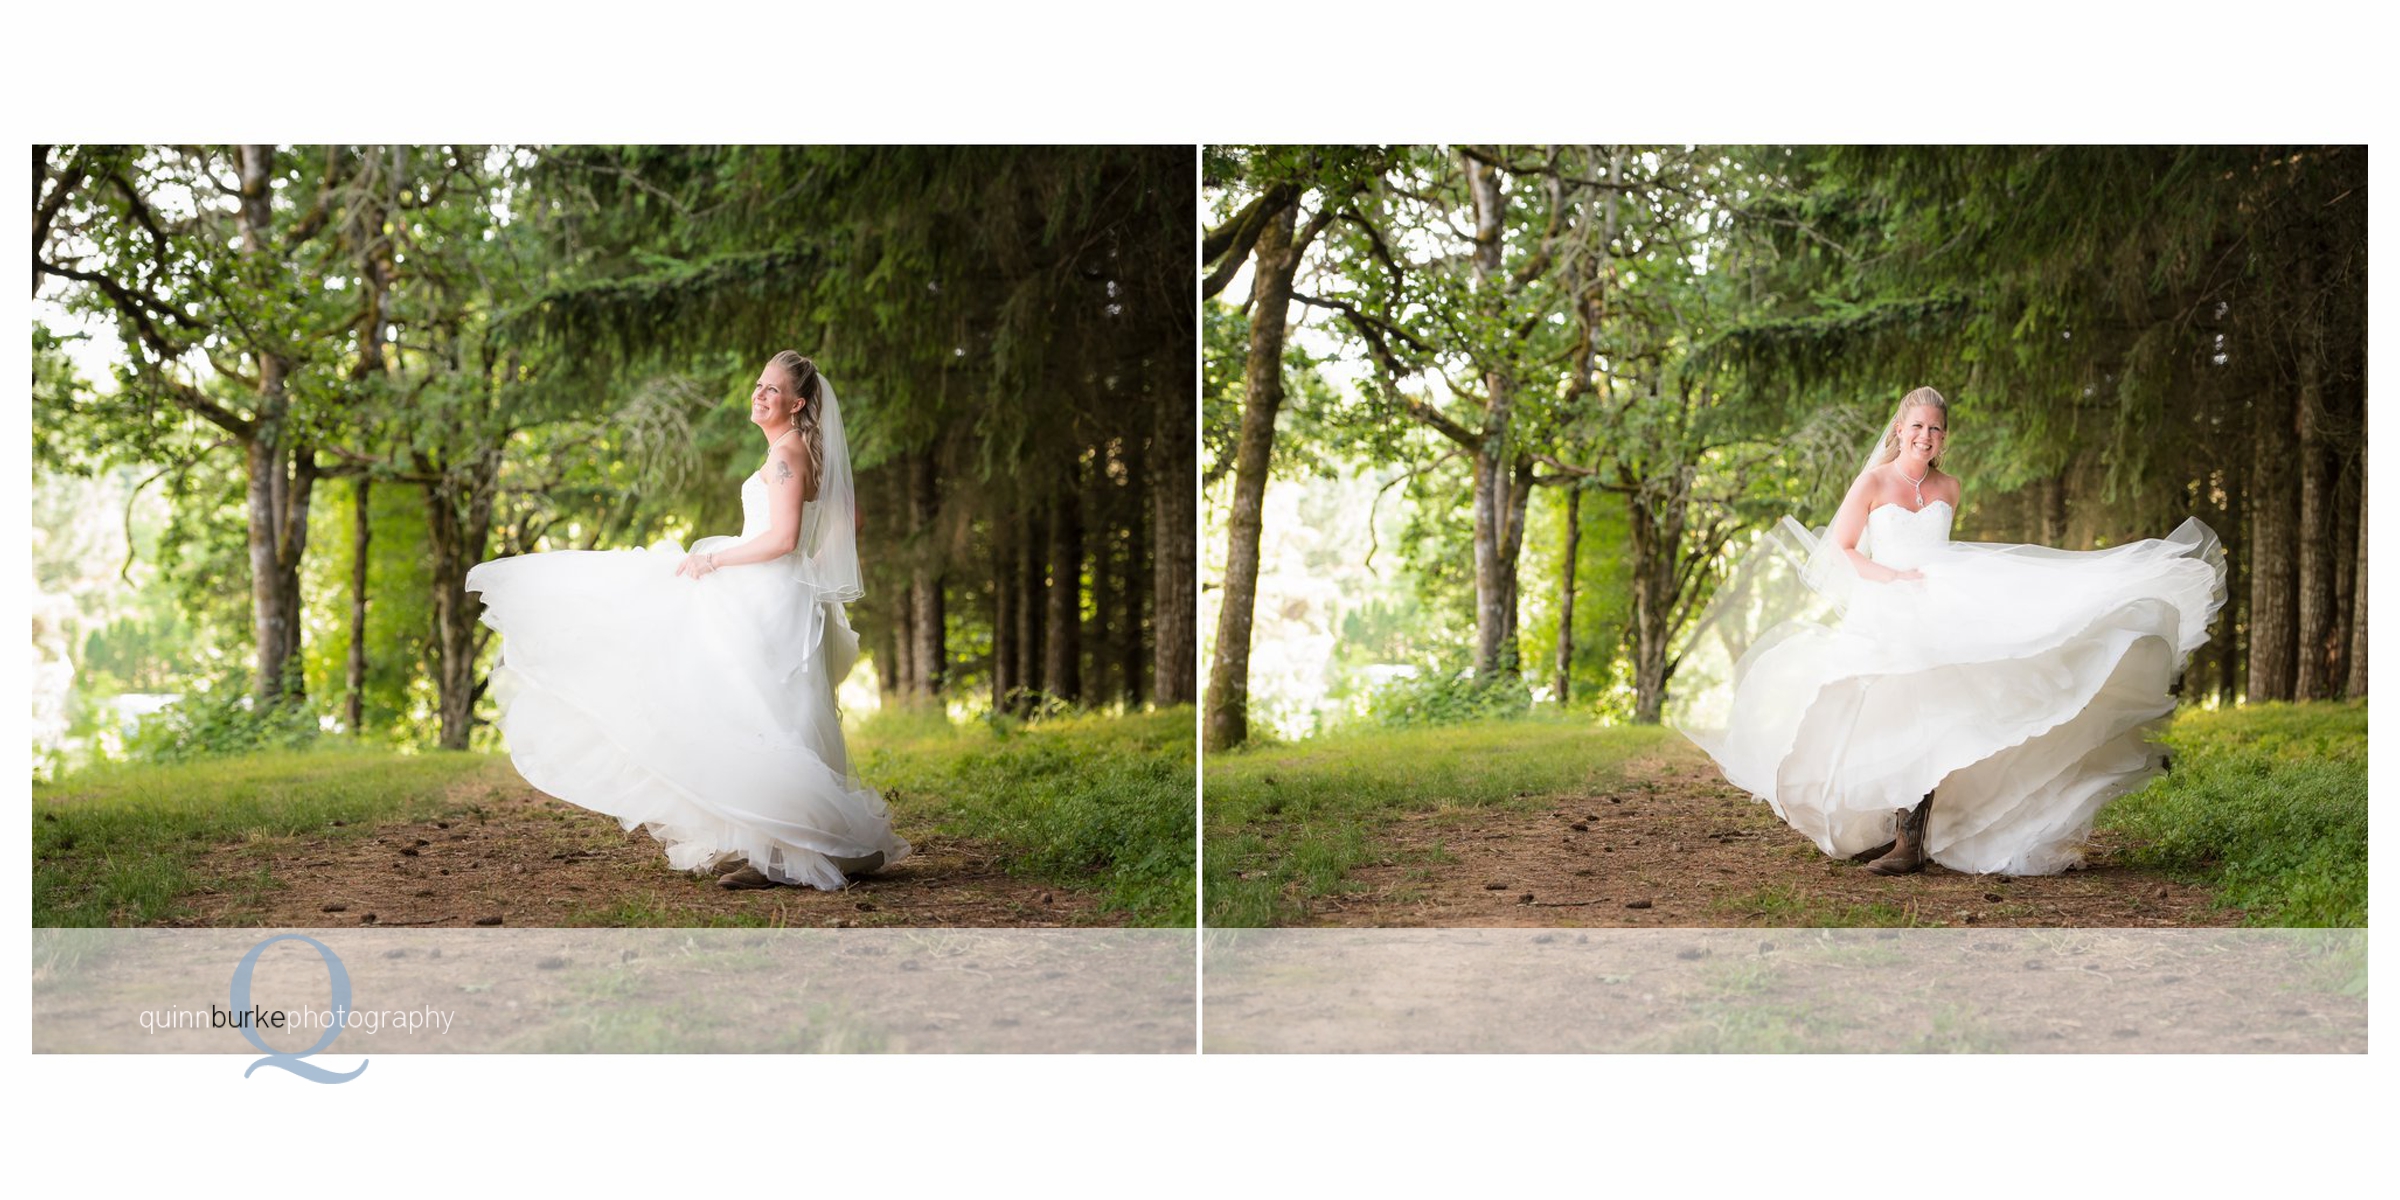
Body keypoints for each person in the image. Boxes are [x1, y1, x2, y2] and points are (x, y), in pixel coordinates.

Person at [1669, 387, 2226, 876]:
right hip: (1888, 602)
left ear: (1943, 437)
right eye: (1917, 426)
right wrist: (1889, 579)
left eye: (1935, 428)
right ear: (1899, 430)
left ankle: (1914, 840)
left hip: (1944, 603)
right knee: (1895, 712)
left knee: (1948, 711)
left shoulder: (1949, 488)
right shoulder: (1873, 482)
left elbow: (1941, 554)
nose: (1926, 436)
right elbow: (1839, 551)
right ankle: (1897, 831)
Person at [464, 352, 910, 891]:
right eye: (759, 385)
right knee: (758, 710)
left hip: (768, 592)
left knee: (760, 714)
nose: (759, 395)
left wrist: (716, 560)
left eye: (773, 390)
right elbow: (848, 517)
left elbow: (784, 538)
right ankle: (765, 840)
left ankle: (781, 851)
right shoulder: (795, 452)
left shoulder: (788, 453)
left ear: (796, 403)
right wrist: (810, 574)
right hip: (781, 590)